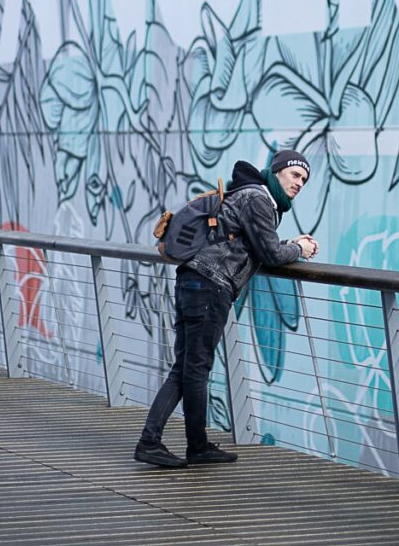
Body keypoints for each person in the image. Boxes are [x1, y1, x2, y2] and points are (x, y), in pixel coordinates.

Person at [134, 148, 318, 468]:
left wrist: (286, 244)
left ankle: (186, 445)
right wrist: (298, 248)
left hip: (195, 282)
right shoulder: (259, 198)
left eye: (304, 179)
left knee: (187, 367)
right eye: (294, 175)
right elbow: (272, 255)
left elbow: (257, 243)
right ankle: (162, 443)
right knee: (195, 368)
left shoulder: (251, 196)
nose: (300, 183)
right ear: (275, 172)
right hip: (209, 287)